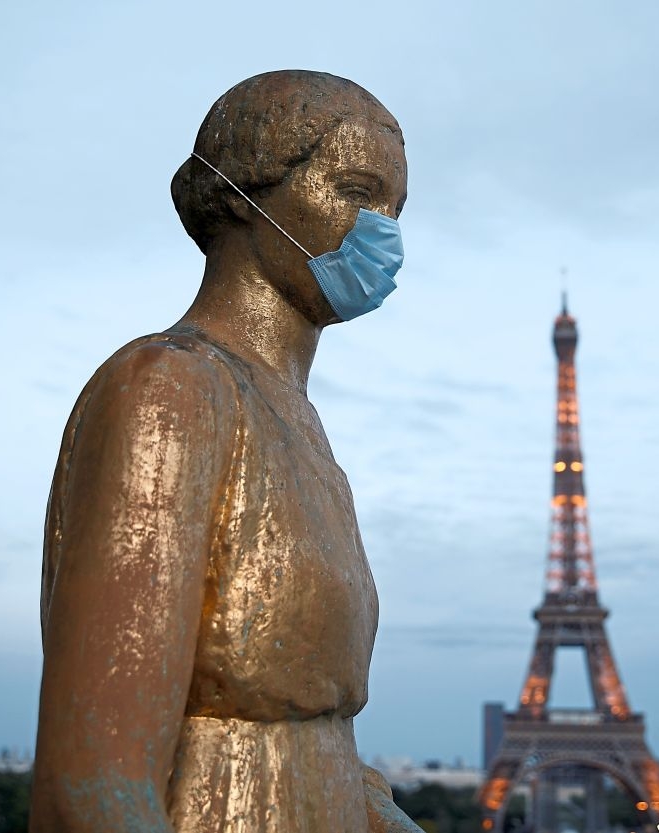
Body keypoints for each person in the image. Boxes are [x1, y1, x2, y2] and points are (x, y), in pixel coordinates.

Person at [29, 70, 417, 833]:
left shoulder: (301, 430)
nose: (384, 231)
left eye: (397, 209)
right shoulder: (171, 389)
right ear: (241, 194)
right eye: (356, 190)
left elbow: (317, 740)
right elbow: (93, 790)